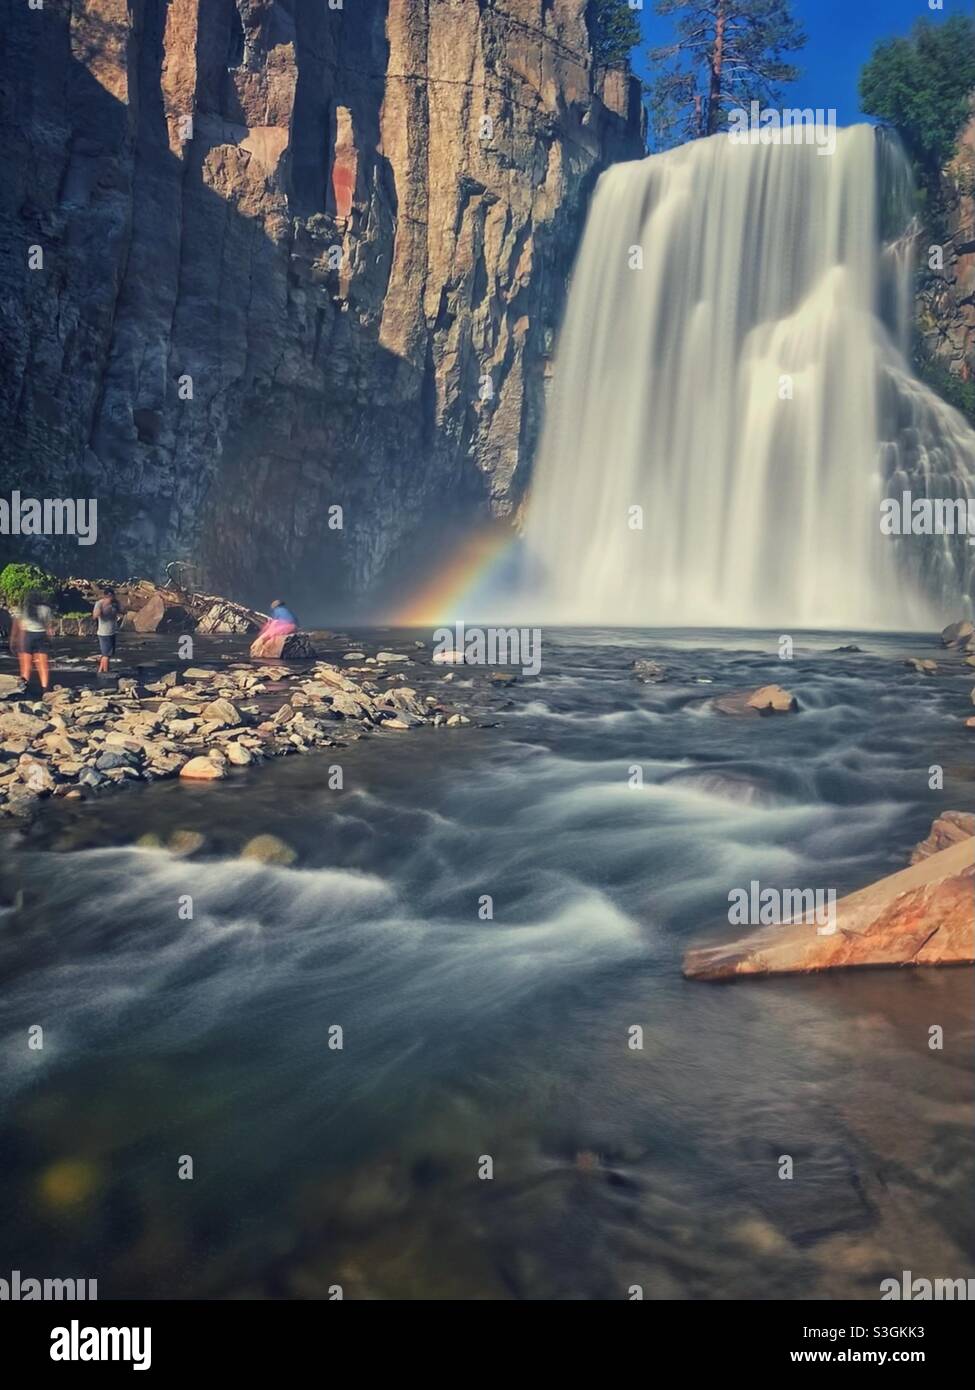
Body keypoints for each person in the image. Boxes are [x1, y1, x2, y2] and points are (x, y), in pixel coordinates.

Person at [11, 590, 54, 694]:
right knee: (43, 665)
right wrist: (50, 642)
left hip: (27, 636)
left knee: (26, 665)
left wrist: (13, 639)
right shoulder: (46, 609)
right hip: (41, 635)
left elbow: (18, 625)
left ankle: (24, 689)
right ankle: (45, 689)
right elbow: (48, 627)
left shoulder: (23, 609)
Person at [92, 585, 122, 675]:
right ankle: (105, 672)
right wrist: (103, 607)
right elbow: (95, 616)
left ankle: (100, 671)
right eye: (110, 596)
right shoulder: (100, 603)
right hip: (104, 632)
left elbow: (123, 610)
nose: (111, 598)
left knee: (107, 654)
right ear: (106, 596)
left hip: (112, 631)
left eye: (112, 596)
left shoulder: (115, 604)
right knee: (106, 655)